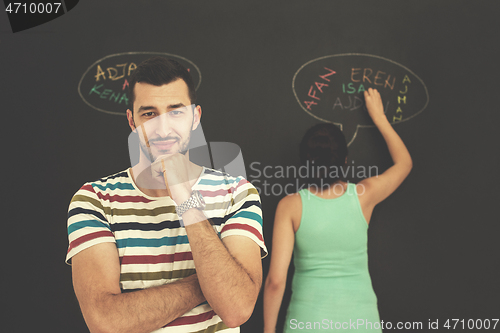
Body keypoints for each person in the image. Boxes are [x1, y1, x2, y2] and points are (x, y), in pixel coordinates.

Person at [66, 57, 267, 333]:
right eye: (149, 114)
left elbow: (236, 308)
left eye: (176, 112)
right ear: (131, 121)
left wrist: (186, 198)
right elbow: (105, 322)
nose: (162, 129)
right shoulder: (95, 200)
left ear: (195, 117)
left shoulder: (237, 193)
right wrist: (207, 283)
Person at [263, 88, 412, 332]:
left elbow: (276, 282)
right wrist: (379, 117)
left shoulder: (290, 207)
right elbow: (404, 163)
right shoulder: (364, 196)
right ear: (345, 160)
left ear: (305, 163)